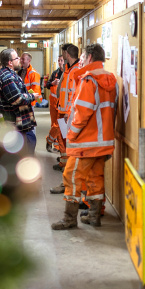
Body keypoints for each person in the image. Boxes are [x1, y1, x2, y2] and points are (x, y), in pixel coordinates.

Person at [51, 43, 117, 230]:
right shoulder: (111, 79)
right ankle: (94, 216)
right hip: (104, 141)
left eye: (82, 59)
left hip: (86, 141)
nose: (80, 62)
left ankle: (69, 219)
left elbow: (82, 112)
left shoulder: (89, 80)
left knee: (71, 176)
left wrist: (71, 134)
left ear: (89, 58)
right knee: (95, 177)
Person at [0, 48, 39, 155]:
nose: (19, 59)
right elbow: (17, 99)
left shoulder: (11, 74)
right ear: (10, 62)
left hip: (21, 126)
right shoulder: (7, 77)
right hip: (17, 127)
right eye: (16, 58)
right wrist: (32, 96)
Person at [50, 44, 79, 194]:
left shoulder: (75, 70)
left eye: (63, 55)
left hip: (68, 115)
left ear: (67, 54)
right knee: (63, 144)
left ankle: (68, 182)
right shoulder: (67, 70)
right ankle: (66, 178)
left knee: (69, 147)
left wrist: (68, 112)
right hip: (62, 112)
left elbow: (74, 93)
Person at [45, 54, 66, 153]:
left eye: (61, 60)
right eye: (59, 60)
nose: (60, 62)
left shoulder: (68, 74)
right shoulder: (55, 73)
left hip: (64, 104)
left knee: (62, 127)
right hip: (54, 104)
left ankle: (57, 146)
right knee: (56, 125)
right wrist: (52, 83)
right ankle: (53, 143)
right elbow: (47, 85)